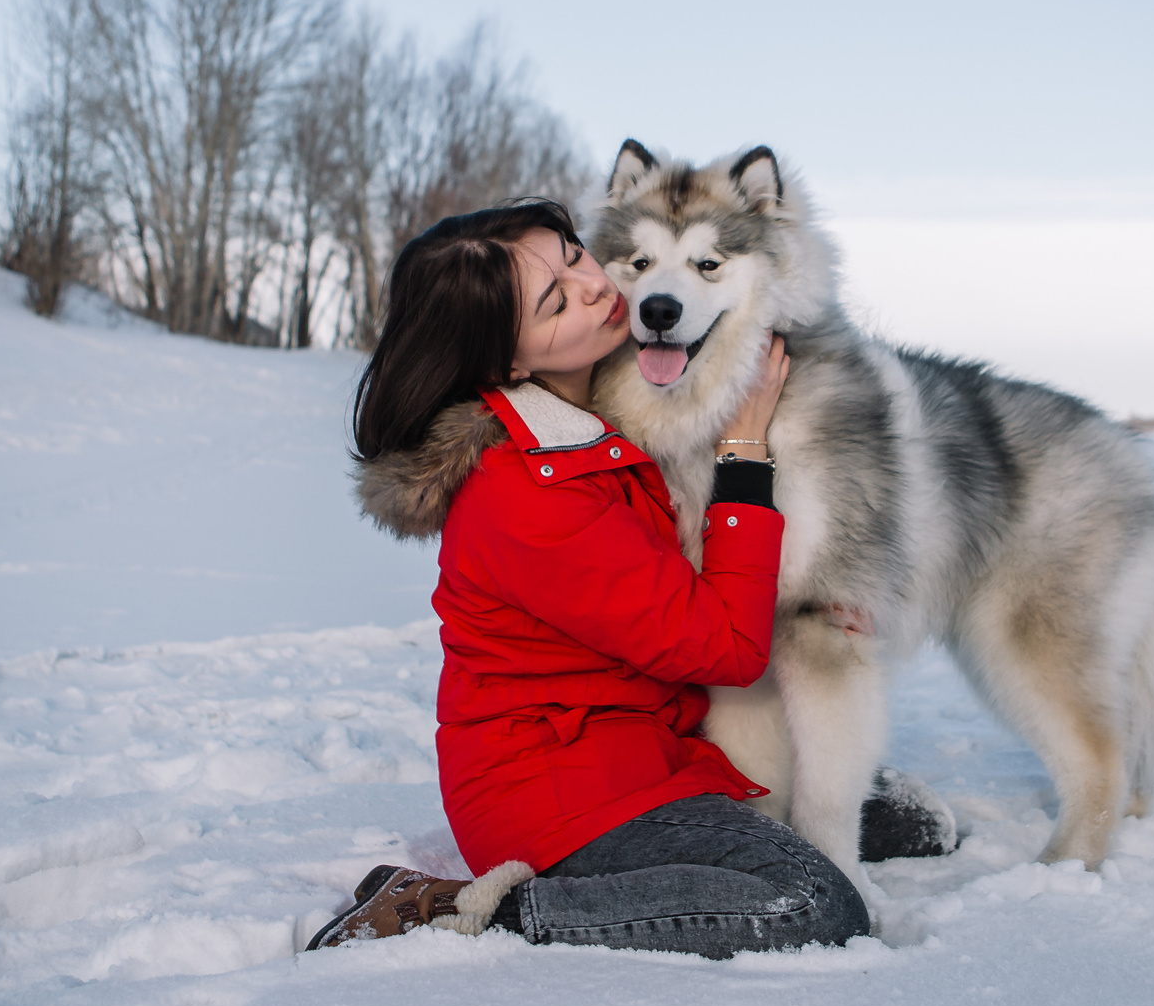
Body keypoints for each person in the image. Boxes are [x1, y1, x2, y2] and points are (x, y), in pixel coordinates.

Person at [309, 197, 871, 958]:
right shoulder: (526, 494)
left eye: (574, 253)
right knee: (814, 901)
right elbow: (727, 646)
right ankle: (463, 910)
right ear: (509, 363)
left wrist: (811, 590)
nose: (597, 286)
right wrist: (744, 449)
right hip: (564, 799)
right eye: (556, 300)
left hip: (647, 752)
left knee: (887, 815)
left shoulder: (591, 410)